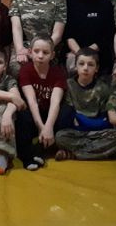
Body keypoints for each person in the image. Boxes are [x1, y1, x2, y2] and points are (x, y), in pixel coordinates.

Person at [54, 48, 116, 161]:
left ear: (96, 68)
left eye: (90, 64)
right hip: (76, 133)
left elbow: (104, 121)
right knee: (59, 136)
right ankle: (95, 152)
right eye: (81, 64)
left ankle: (74, 154)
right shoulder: (69, 85)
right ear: (76, 66)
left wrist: (82, 120)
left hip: (97, 133)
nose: (85, 68)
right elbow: (69, 114)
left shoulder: (103, 88)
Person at [15, 35, 74, 171]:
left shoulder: (58, 72)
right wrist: (41, 127)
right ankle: (26, 154)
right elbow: (32, 101)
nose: (40, 56)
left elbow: (55, 102)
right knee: (22, 115)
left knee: (67, 111)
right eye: (36, 51)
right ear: (30, 52)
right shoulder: (25, 70)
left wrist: (48, 127)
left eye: (45, 52)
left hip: (50, 113)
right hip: (34, 113)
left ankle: (42, 148)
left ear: (52, 55)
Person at [9, 0, 67, 78]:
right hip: (24, 46)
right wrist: (20, 50)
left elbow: (57, 34)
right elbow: (16, 28)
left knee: (48, 71)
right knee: (16, 68)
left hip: (48, 48)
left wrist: (39, 51)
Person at [63, 0, 116, 77]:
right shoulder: (69, 3)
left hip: (100, 57)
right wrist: (81, 55)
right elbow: (68, 34)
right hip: (75, 55)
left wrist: (89, 53)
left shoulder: (105, 4)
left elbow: (109, 33)